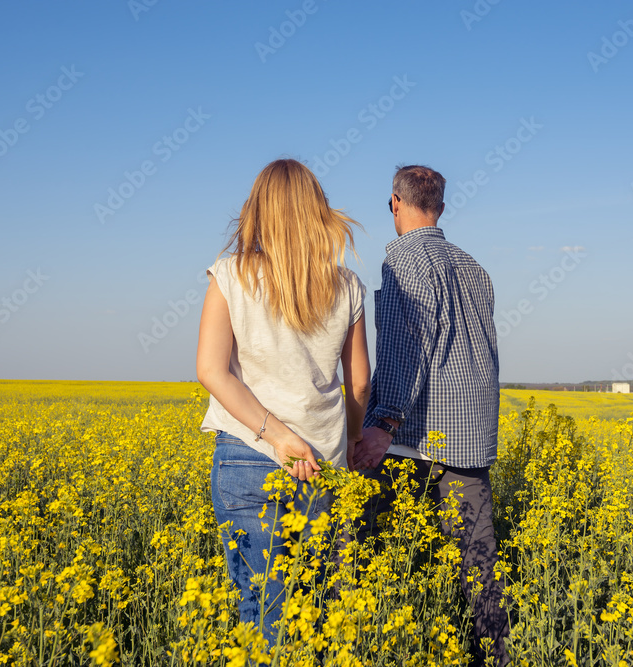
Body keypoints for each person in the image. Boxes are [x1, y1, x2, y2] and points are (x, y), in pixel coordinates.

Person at [196, 158, 370, 641]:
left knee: (262, 614)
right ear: (318, 211)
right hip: (324, 463)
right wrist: (353, 437)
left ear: (258, 210)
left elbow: (212, 372)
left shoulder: (230, 274)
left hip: (246, 456)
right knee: (318, 611)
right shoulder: (347, 286)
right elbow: (358, 385)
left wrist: (275, 435)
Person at [354, 165, 509, 665]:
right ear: (440, 207)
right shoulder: (474, 267)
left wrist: (383, 424)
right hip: (471, 439)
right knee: (478, 564)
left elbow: (403, 350)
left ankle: (392, 647)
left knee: (383, 557)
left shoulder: (402, 262)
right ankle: (493, 656)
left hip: (412, 441)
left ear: (395, 204)